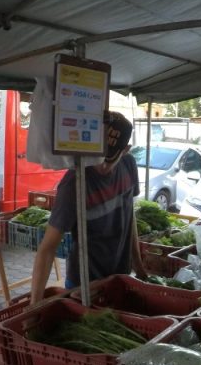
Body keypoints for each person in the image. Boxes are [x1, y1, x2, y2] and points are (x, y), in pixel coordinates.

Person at [29, 111, 145, 306]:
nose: (101, 165)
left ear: (125, 150)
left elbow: (129, 214)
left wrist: (138, 265)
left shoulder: (128, 166)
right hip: (83, 286)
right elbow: (47, 248)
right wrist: (34, 306)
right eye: (97, 155)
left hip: (120, 276)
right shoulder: (75, 183)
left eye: (108, 159)